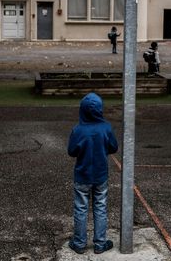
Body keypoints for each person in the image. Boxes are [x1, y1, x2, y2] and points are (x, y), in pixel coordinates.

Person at [67, 92, 118, 255]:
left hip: (82, 175)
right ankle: (100, 243)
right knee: (100, 207)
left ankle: (80, 243)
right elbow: (113, 147)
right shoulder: (106, 127)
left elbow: (72, 151)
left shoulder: (78, 129)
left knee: (81, 208)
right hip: (100, 175)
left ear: (82, 110)